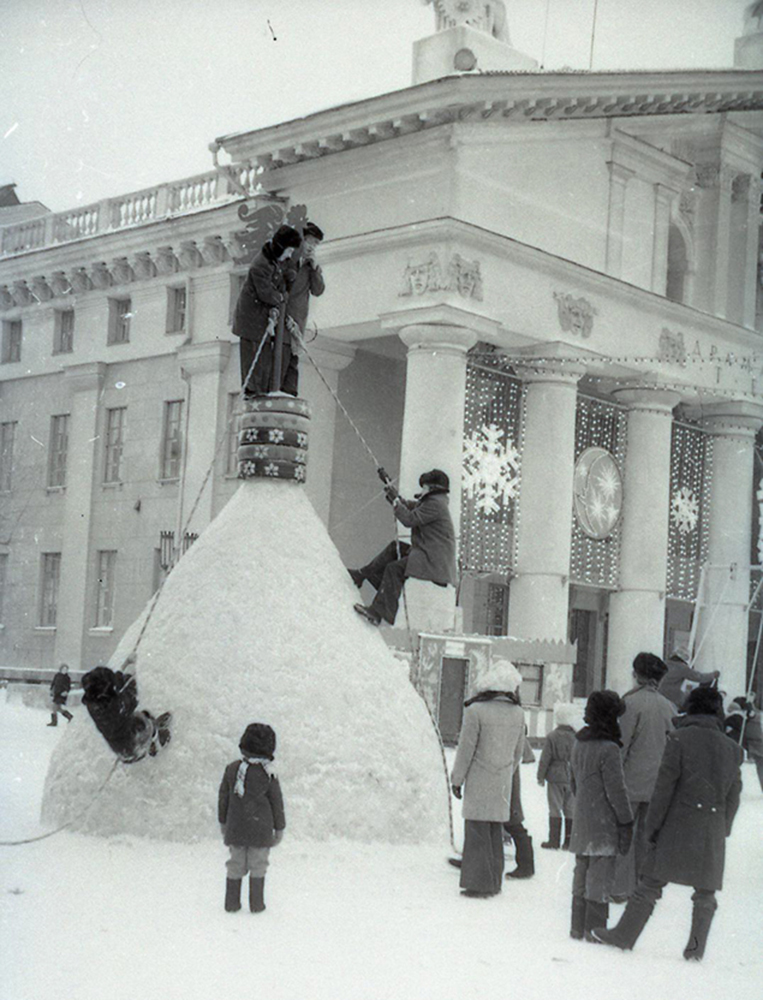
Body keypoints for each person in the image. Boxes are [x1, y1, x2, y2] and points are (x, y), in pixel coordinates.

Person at [592, 687, 743, 961]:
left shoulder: (679, 738)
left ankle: (624, 935)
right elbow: (734, 797)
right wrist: (724, 828)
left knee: (650, 883)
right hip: (712, 827)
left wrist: (652, 828)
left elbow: (663, 789)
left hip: (676, 824)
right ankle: (695, 950)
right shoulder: (733, 749)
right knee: (705, 893)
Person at [450, 659, 525, 897]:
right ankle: (494, 881)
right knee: (494, 832)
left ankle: (478, 884)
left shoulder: (475, 711)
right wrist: (505, 773)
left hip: (479, 780)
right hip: (502, 780)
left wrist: (457, 779)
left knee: (476, 831)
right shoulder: (518, 713)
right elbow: (518, 753)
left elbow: (465, 750)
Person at [350, 469, 456, 626]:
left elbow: (409, 519)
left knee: (395, 569)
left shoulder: (435, 505)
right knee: (395, 547)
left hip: (433, 560)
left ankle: (378, 612)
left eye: (424, 487)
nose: (422, 490)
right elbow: (407, 505)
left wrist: (395, 502)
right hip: (429, 554)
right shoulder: (433, 502)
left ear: (433, 488)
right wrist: (391, 491)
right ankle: (364, 576)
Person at [568, 691, 634, 942]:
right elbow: (617, 791)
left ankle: (576, 925)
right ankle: (594, 928)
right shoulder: (609, 749)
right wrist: (625, 820)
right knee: (600, 877)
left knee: (580, 872)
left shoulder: (579, 743)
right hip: (604, 824)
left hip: (582, 818)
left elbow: (574, 783)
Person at [611, 652, 675, 899]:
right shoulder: (669, 707)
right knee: (646, 840)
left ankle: (619, 888)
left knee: (623, 836)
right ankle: (642, 889)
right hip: (658, 786)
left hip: (629, 783)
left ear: (636, 675)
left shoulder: (629, 704)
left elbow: (621, 745)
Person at [218, 723, 285, 914]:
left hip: (236, 828)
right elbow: (276, 803)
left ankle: (231, 902)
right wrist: (279, 828)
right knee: (259, 865)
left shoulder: (232, 769)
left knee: (235, 864)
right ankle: (257, 904)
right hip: (261, 830)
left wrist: (223, 822)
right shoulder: (269, 774)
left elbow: (223, 799)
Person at [232, 224, 302, 397]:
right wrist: (281, 298)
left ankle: (260, 391)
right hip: (251, 320)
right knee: (254, 357)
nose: (290, 255)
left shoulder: (275, 261)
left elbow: (280, 282)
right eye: (289, 250)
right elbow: (267, 293)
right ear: (281, 248)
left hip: (262, 318)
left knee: (263, 358)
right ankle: (253, 392)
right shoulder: (260, 265)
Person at [81, 654, 171, 763]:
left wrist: (125, 664)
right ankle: (155, 739)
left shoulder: (93, 704)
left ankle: (147, 739)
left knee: (133, 718)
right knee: (143, 717)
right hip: (134, 749)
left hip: (121, 751)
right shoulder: (116, 706)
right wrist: (130, 669)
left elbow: (113, 683)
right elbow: (132, 695)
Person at [282, 221, 325, 395]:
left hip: (298, 322)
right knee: (282, 360)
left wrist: (315, 269)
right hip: (285, 319)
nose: (311, 247)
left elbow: (318, 290)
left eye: (315, 244)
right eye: (309, 241)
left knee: (293, 361)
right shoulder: (289, 261)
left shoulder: (310, 267)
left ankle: (290, 396)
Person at [537, 702, 577, 850]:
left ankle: (553, 840)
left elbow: (545, 758)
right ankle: (568, 841)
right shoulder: (577, 737)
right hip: (572, 777)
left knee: (554, 808)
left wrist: (540, 776)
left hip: (555, 777)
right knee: (570, 808)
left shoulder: (552, 736)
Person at [504, 729, 536, 879]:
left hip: (506, 776)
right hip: (506, 775)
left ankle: (526, 865)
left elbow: (526, 753)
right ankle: (473, 860)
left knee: (513, 823)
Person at [657, 643, 719, 711]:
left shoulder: (664, 663)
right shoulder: (682, 668)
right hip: (673, 699)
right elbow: (699, 677)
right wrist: (713, 675)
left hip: (659, 696)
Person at [725, 693, 763, 792]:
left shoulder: (753, 715)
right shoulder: (737, 718)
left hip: (753, 743)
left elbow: (753, 715)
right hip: (749, 744)